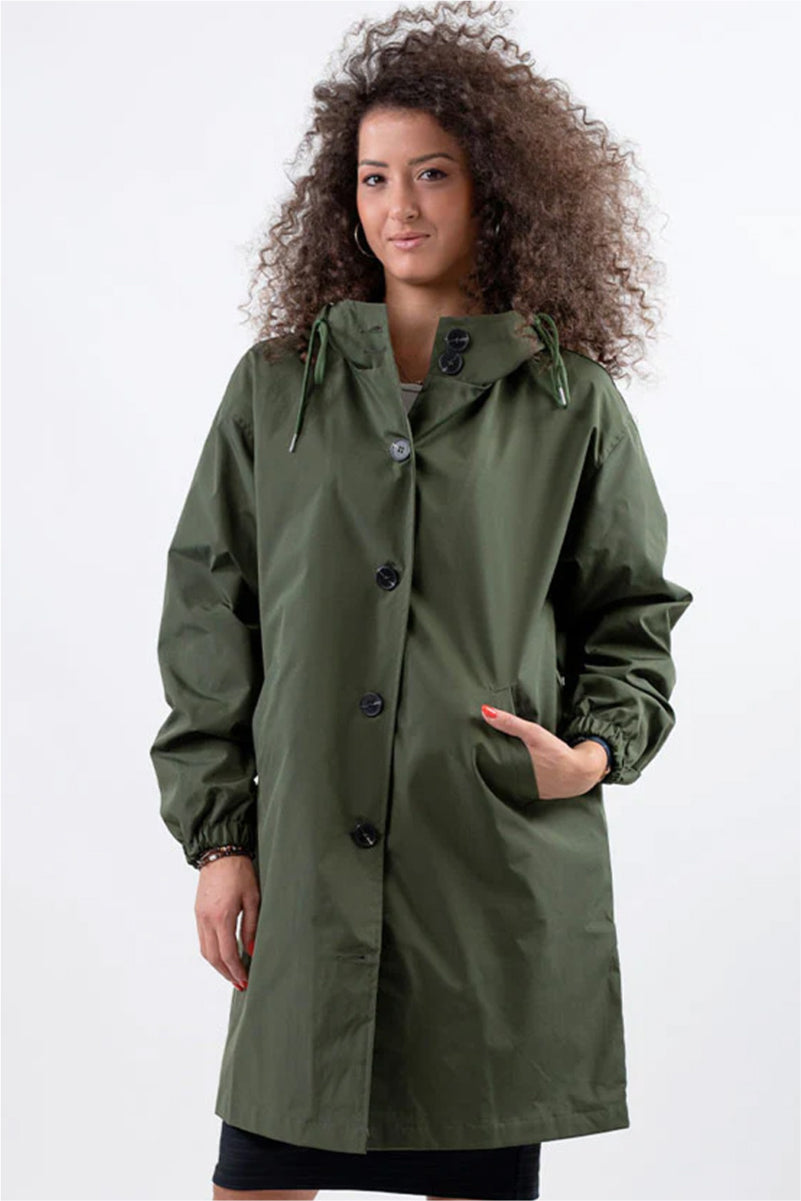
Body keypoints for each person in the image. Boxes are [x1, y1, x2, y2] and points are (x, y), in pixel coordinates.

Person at [149, 3, 694, 1199]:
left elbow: (631, 614)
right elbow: (209, 613)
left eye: (433, 173)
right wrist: (220, 837)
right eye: (374, 176)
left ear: (495, 188)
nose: (400, 204)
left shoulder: (569, 401)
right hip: (307, 870)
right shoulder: (277, 389)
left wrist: (591, 753)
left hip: (485, 871)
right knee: (258, 1170)